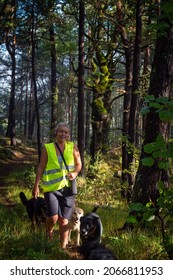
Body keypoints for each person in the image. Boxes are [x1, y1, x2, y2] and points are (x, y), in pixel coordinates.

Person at [32, 122, 82, 249]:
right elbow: (41, 167)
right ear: (56, 133)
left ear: (68, 135)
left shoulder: (73, 147)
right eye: (61, 131)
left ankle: (62, 248)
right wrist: (36, 185)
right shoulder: (47, 148)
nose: (63, 134)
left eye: (66, 132)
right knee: (53, 217)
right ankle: (49, 231)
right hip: (51, 188)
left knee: (64, 220)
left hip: (68, 189)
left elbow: (79, 164)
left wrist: (75, 173)